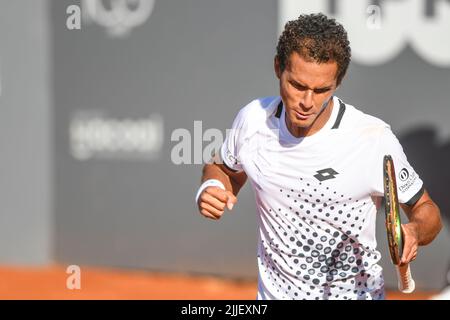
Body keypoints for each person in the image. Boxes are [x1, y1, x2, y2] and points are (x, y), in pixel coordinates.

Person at [195, 13, 442, 300]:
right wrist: (211, 187)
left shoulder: (373, 139)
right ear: (278, 68)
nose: (307, 102)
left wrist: (413, 232)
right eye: (297, 85)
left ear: (339, 82)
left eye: (321, 90)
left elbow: (427, 210)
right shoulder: (252, 120)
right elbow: (225, 169)